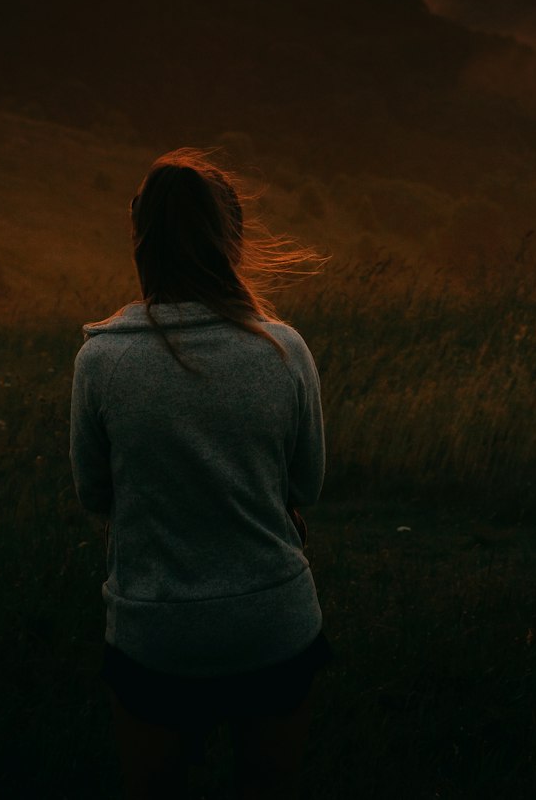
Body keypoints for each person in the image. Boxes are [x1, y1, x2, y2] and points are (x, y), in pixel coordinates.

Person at [69, 147, 334, 798]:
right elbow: (308, 488)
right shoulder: (284, 348)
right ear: (232, 241)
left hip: (155, 635)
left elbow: (94, 494)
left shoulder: (101, 359)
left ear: (142, 241)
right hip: (275, 627)